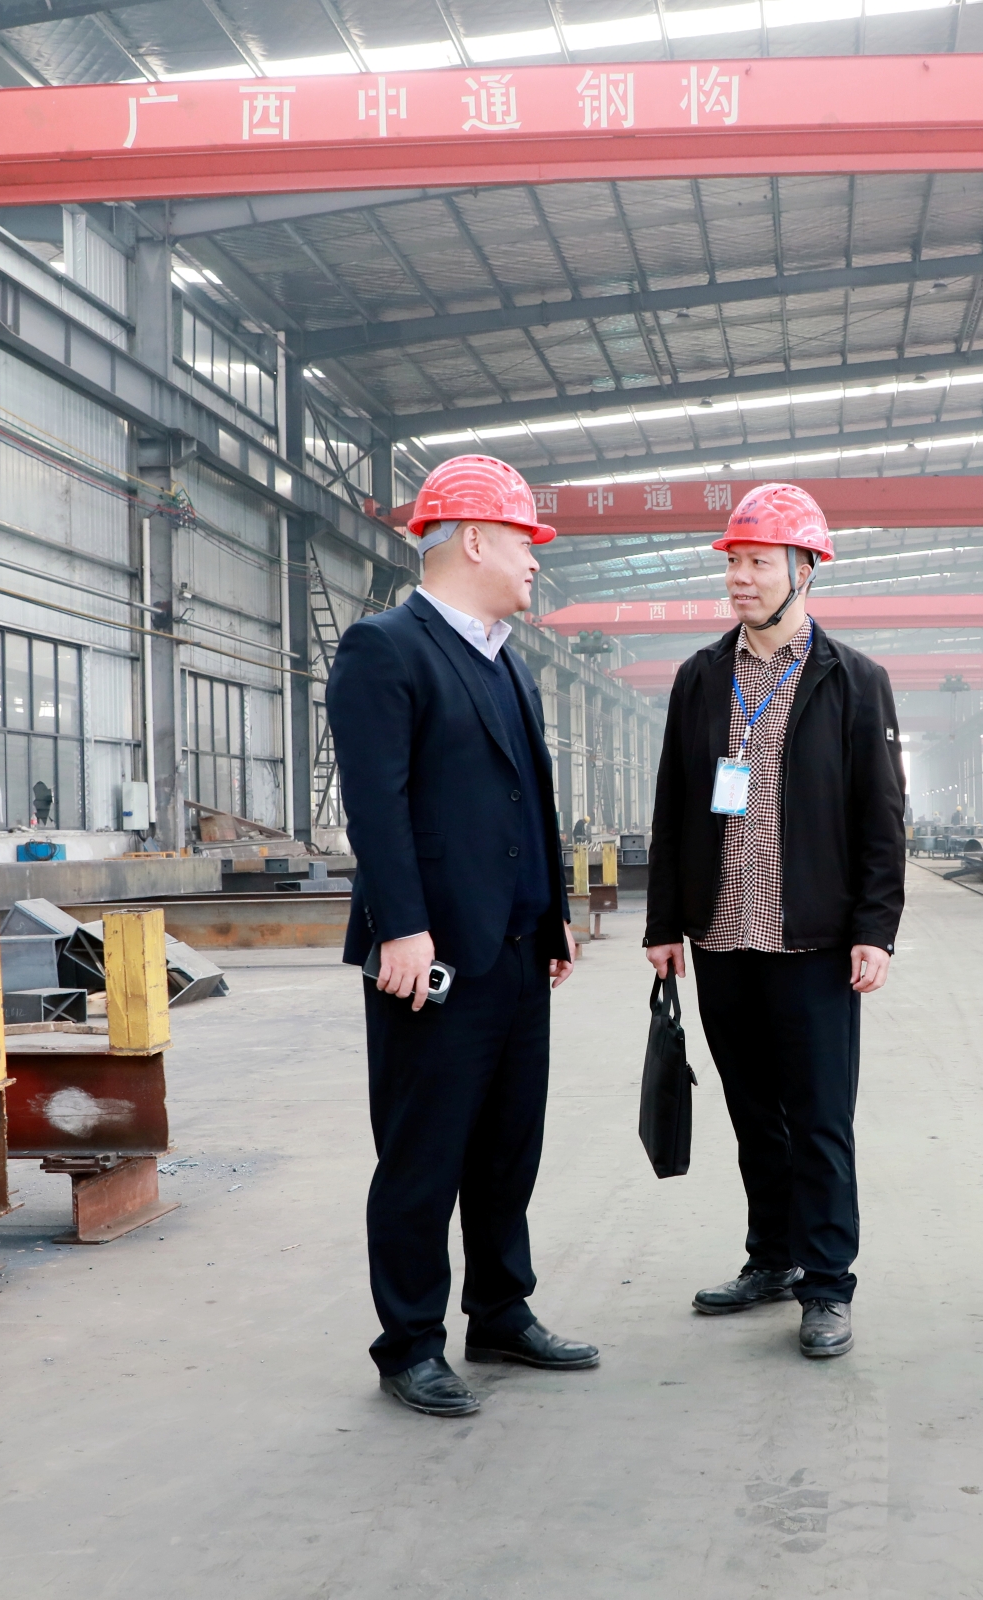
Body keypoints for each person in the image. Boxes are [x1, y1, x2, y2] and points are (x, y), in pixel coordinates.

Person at [326, 453, 594, 1420]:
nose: (536, 562)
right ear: (474, 541)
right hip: (432, 954)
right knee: (424, 1152)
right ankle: (409, 1342)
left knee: (507, 1148)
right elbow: (376, 804)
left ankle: (501, 1312)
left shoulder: (509, 661)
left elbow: (532, 802)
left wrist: (553, 919)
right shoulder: (385, 649)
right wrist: (401, 927)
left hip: (515, 949)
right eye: (525, 543)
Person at [645, 483, 907, 1361]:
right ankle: (772, 1258)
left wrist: (875, 928)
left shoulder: (854, 681)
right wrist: (664, 923)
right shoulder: (700, 677)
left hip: (813, 941)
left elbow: (882, 819)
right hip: (722, 936)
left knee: (820, 1120)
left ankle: (827, 1283)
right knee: (754, 1114)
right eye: (733, 562)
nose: (740, 578)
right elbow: (674, 804)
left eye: (758, 562)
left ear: (806, 570)